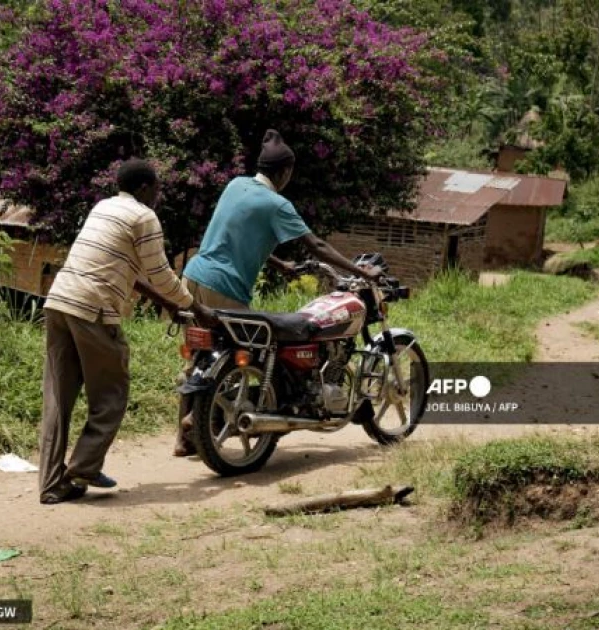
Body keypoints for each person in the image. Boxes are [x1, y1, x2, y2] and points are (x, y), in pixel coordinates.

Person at [174, 129, 383, 455]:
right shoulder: (277, 203)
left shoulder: (235, 185)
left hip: (192, 278)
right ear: (285, 172)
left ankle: (184, 440)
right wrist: (360, 271)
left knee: (200, 358)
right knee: (258, 352)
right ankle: (216, 420)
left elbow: (236, 233)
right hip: (224, 287)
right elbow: (316, 245)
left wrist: (278, 264)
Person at [39, 158, 215, 504]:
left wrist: (166, 303)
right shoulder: (144, 216)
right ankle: (84, 467)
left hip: (59, 300)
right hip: (93, 307)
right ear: (145, 188)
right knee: (112, 393)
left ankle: (51, 484)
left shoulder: (103, 208)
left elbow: (133, 272)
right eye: (157, 189)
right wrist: (196, 306)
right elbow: (160, 272)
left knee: (58, 397)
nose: (158, 196)